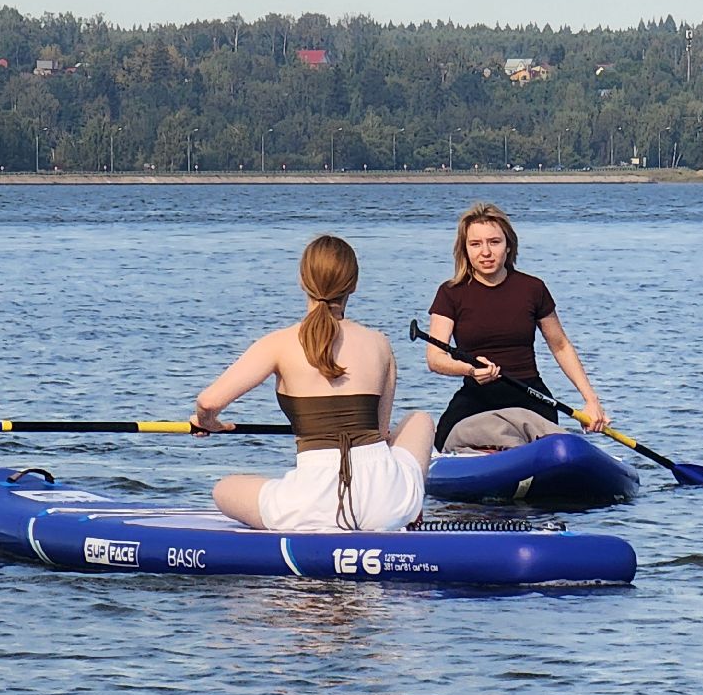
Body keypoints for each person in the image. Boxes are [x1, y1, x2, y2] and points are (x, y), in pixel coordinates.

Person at [193, 234, 433, 531]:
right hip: (385, 501)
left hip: (311, 503)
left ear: (302, 281)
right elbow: (383, 433)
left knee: (224, 489)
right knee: (420, 419)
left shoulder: (278, 344)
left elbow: (209, 402)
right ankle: (410, 508)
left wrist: (208, 422)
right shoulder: (379, 343)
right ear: (354, 285)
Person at [425, 202, 609, 452]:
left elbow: (561, 345)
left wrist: (591, 401)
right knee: (443, 440)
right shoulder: (450, 293)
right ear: (465, 250)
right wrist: (470, 370)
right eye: (476, 244)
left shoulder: (532, 288)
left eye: (494, 242)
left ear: (508, 245)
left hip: (530, 395)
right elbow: (435, 358)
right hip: (476, 397)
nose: (486, 252)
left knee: (559, 444)